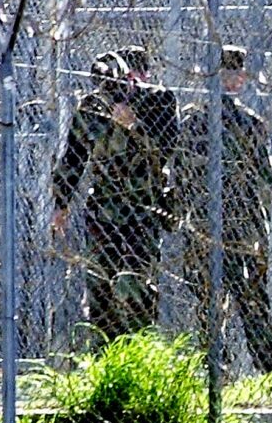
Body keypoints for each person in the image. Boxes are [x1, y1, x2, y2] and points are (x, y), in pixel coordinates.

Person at [52, 50, 179, 342]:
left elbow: (166, 151)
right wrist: (61, 204)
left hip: (143, 208)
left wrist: (134, 126)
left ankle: (141, 349)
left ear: (136, 77)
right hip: (104, 209)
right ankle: (103, 358)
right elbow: (74, 156)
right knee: (100, 287)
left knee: (135, 283)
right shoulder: (92, 107)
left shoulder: (158, 101)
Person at [179, 44, 272, 374]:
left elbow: (180, 175)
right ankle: (270, 372)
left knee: (210, 302)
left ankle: (217, 372)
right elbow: (269, 180)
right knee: (251, 300)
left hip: (206, 223)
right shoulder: (249, 124)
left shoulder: (193, 121)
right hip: (243, 227)